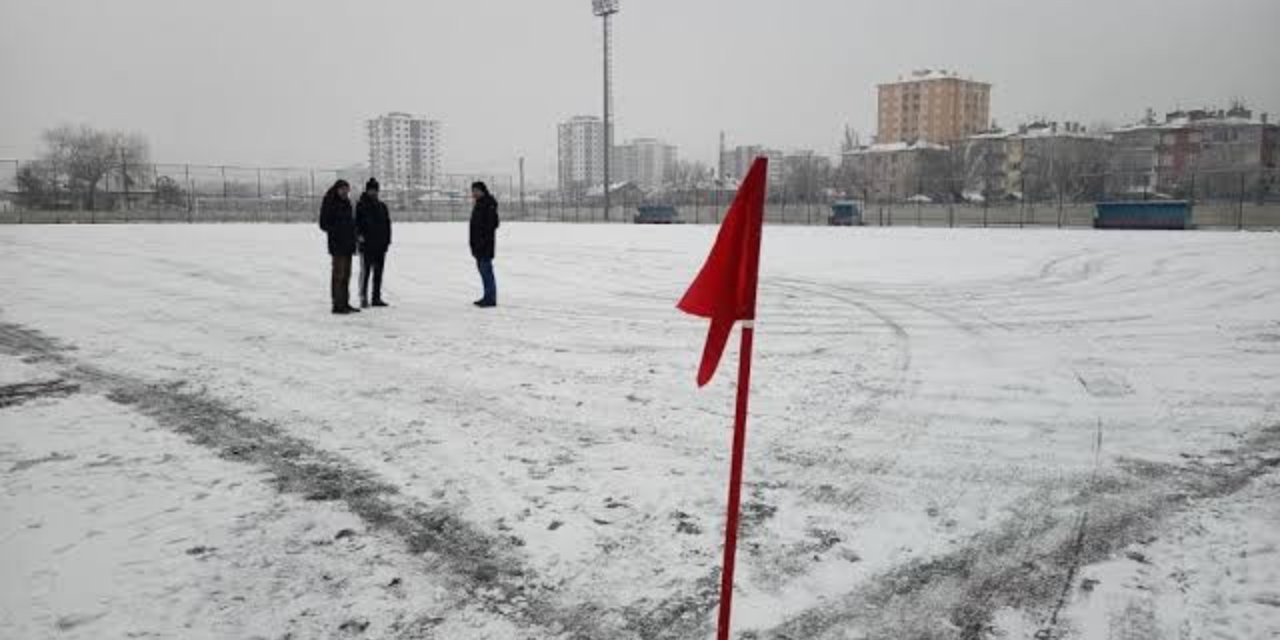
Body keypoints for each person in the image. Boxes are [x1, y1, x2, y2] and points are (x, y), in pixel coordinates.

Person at [318, 179, 359, 314]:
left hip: (347, 245)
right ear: (337, 189)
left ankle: (345, 302)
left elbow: (351, 223)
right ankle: (337, 304)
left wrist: (353, 241)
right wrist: (337, 230)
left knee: (346, 275)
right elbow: (323, 224)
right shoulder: (330, 202)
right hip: (337, 245)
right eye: (343, 189)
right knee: (338, 275)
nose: (345, 192)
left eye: (347, 189)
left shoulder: (346, 202)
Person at [355, 178, 392, 308]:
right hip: (367, 245)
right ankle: (363, 297)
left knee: (378, 273)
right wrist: (359, 237)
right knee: (366, 272)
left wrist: (387, 241)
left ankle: (376, 297)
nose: (374, 192)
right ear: (367, 190)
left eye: (375, 190)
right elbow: (356, 224)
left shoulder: (382, 206)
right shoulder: (361, 205)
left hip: (380, 245)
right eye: (371, 190)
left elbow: (387, 225)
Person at [469, 181, 500, 308]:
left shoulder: (488, 204)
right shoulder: (479, 204)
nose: (473, 193)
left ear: (482, 191)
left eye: (475, 191)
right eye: (472, 191)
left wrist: (482, 241)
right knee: (483, 272)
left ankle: (490, 298)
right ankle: (487, 296)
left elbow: (493, 224)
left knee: (487, 272)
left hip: (485, 246)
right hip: (478, 245)